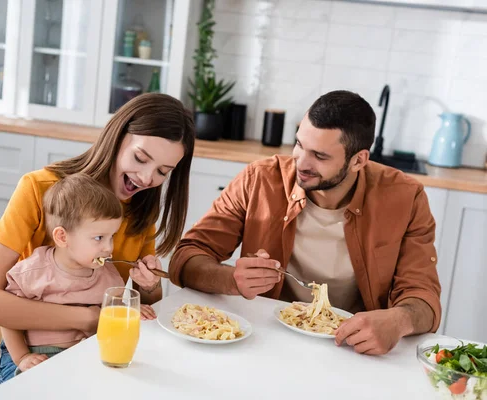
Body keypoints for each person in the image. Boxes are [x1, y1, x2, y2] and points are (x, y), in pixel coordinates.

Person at [169, 90, 441, 356]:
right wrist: (231, 280)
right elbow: (187, 257)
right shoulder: (260, 179)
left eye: (320, 156)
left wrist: (397, 320)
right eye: (299, 144)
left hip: (351, 348)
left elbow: (423, 298)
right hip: (267, 338)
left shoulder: (405, 198)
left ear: (359, 160)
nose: (301, 162)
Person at [0, 93, 195, 384]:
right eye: (140, 158)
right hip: (32, 351)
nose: (147, 178)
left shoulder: (141, 209)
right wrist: (88, 318)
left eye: (163, 171)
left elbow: (143, 303)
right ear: (116, 136)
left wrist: (149, 287)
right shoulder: (39, 189)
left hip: (96, 346)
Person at [3, 174, 155, 374]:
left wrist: (131, 311)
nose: (109, 248)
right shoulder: (34, 272)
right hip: (43, 357)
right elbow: (7, 318)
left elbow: (112, 311)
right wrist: (22, 357)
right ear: (62, 237)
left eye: (112, 237)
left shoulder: (108, 273)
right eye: (99, 237)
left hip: (91, 352)